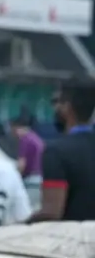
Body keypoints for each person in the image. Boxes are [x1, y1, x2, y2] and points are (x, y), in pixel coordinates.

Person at [33, 83, 95, 222]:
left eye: (56, 102)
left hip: (74, 234)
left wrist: (17, 226)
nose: (54, 108)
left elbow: (52, 213)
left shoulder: (56, 152)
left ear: (67, 107)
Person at [9, 113, 45, 183]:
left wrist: (13, 178)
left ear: (17, 128)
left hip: (30, 178)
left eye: (13, 130)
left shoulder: (24, 140)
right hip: (40, 176)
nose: (13, 134)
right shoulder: (34, 137)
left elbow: (22, 164)